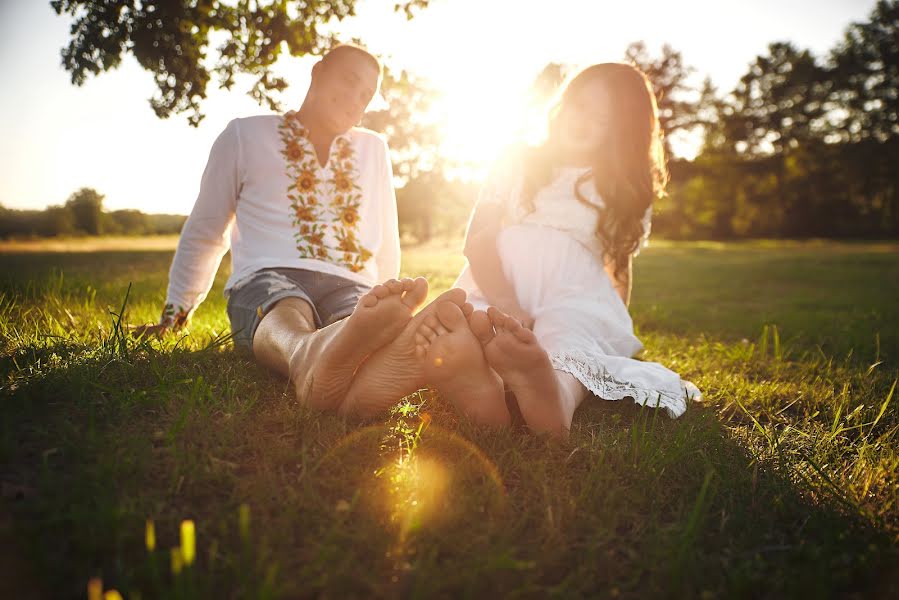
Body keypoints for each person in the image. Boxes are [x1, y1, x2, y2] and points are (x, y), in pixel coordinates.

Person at [136, 43, 465, 415]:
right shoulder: (244, 136)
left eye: (366, 95)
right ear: (317, 71)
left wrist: (383, 296)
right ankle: (303, 353)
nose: (355, 100)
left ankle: (361, 365)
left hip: (349, 281)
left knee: (355, 316)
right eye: (349, 81)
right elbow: (206, 230)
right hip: (268, 276)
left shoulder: (373, 149)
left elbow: (385, 236)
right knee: (287, 303)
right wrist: (174, 316)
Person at [412, 63, 701, 438]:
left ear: (622, 131)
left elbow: (618, 269)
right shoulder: (517, 160)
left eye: (603, 117)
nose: (585, 121)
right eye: (580, 105)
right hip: (497, 287)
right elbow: (479, 238)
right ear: (562, 103)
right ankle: (482, 388)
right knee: (475, 323)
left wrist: (607, 328)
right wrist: (507, 301)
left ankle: (555, 400)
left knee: (569, 338)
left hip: (574, 295)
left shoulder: (620, 188)